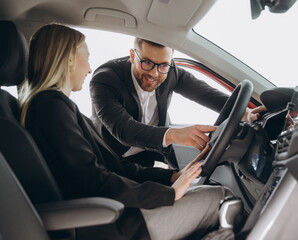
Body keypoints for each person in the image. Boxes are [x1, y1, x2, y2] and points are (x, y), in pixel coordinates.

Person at [19, 24, 233, 240]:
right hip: (116, 221)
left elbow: (116, 169)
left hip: (118, 207)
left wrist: (172, 177)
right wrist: (169, 193)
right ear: (70, 59)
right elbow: (96, 177)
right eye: (87, 56)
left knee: (201, 194)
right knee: (223, 198)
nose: (89, 67)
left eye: (163, 66)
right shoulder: (52, 107)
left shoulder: (55, 107)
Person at [90, 37, 263, 168]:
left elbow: (206, 94)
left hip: (155, 148)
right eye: (147, 62)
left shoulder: (171, 72)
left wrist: (246, 113)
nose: (155, 74)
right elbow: (125, 130)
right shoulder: (105, 79)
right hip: (114, 157)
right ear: (132, 55)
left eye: (163, 65)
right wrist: (175, 135)